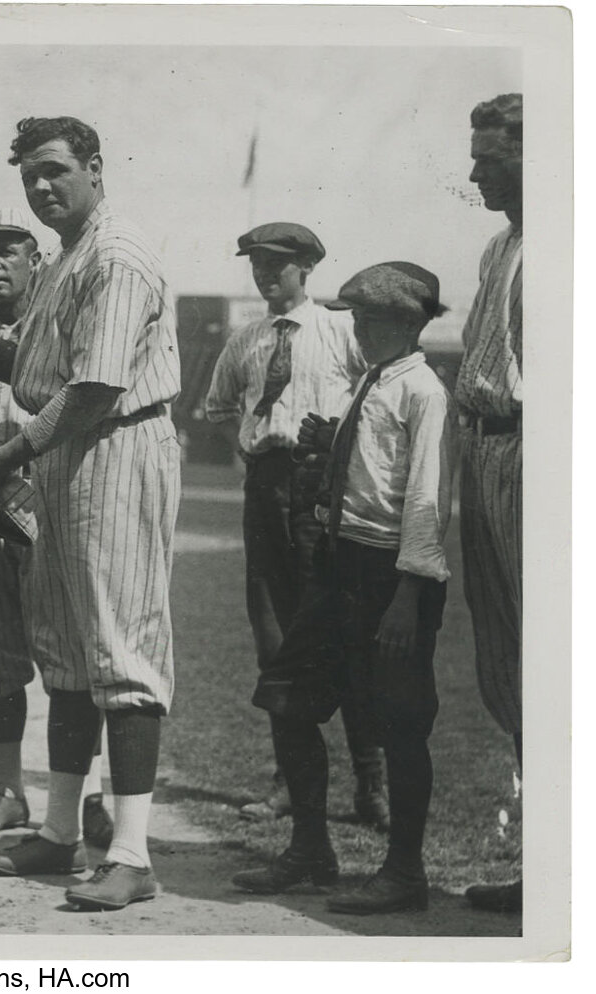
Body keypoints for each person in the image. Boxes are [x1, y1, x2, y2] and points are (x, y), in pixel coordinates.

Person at [0, 117, 182, 911]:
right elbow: (45, 371)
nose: (42, 187)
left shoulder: (115, 255)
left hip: (114, 447)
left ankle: (131, 852)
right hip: (69, 453)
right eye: (29, 178)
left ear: (93, 165)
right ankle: (57, 834)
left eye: (54, 171)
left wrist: (4, 458)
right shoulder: (69, 257)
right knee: (67, 653)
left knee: (120, 651)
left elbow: (92, 391)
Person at [232, 262, 455, 915]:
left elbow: (423, 501)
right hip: (338, 566)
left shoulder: (423, 392)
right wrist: (327, 450)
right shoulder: (373, 380)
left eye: (362, 318)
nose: (353, 328)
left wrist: (409, 598)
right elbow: (371, 468)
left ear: (398, 322)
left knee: (399, 725)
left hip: (389, 575)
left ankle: (403, 873)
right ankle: (309, 849)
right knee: (288, 699)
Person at [0, 206, 112, 844]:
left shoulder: (61, 323)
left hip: (47, 503)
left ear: (38, 259)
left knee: (69, 652)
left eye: (9, 250)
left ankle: (84, 795)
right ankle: (9, 790)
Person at [204, 222, 387, 829]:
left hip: (325, 488)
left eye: (276, 265)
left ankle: (371, 784)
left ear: (305, 269)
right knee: (276, 639)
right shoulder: (247, 339)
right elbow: (218, 406)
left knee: (347, 634)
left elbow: (380, 395)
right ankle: (289, 782)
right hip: (266, 488)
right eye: (255, 263)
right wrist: (249, 447)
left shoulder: (339, 330)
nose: (264, 274)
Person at [455, 93, 524, 916]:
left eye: (491, 155)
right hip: (487, 447)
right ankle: (544, 864)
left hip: (540, 447)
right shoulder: (499, 243)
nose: (473, 170)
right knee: (509, 666)